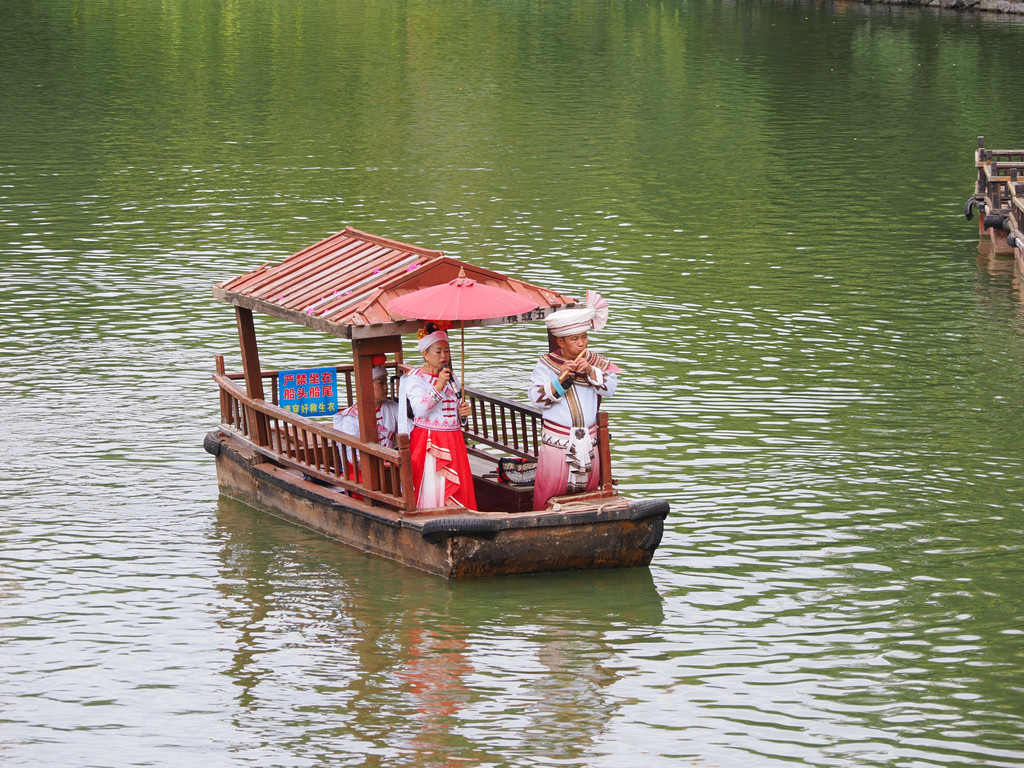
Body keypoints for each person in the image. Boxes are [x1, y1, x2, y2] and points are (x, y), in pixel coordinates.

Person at [528, 291, 620, 510]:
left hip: (589, 440)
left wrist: (590, 370)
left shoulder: (597, 362)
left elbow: (610, 389)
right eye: (574, 339)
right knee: (551, 490)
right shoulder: (546, 365)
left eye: (584, 337)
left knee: (587, 491)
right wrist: (559, 378)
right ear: (561, 341)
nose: (581, 344)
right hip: (558, 442)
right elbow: (536, 398)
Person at [399, 323, 477, 510]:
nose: (443, 356)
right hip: (430, 439)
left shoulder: (451, 376)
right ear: (425, 354)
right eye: (438, 351)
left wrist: (463, 413)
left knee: (457, 480)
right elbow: (419, 410)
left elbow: (454, 407)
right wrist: (439, 385)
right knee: (434, 482)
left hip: (453, 437)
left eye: (447, 351)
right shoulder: (414, 378)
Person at [332, 355, 399, 492]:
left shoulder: (393, 408)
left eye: (386, 382)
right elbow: (351, 453)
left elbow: (408, 428)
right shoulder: (350, 417)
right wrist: (373, 463)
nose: (386, 387)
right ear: (368, 385)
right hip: (363, 471)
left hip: (391, 466)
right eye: (381, 383)